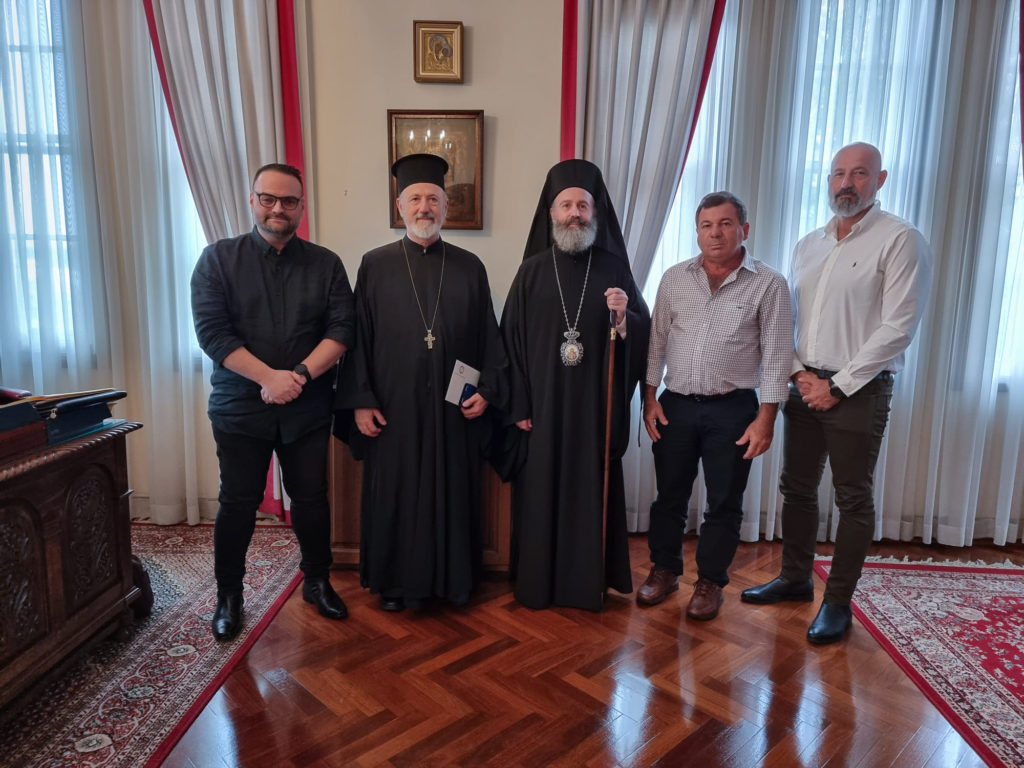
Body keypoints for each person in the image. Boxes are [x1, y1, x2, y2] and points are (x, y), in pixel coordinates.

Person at [741, 142, 933, 644]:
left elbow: (899, 327)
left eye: (859, 174)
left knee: (852, 498)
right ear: (828, 181)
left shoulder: (901, 239)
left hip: (861, 391)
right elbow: (792, 320)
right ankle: (795, 579)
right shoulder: (810, 243)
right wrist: (801, 374)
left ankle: (838, 603)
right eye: (838, 174)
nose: (847, 183)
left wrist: (839, 385)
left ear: (881, 179)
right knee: (796, 488)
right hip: (805, 384)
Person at [335, 153, 508, 612]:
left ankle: (454, 583)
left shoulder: (471, 267)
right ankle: (395, 586)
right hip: (394, 410)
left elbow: (490, 338)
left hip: (453, 412)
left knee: (452, 494)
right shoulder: (374, 265)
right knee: (397, 495)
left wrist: (488, 391)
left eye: (433, 198)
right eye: (415, 198)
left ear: (447, 207)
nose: (424, 207)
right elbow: (359, 341)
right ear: (399, 207)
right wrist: (361, 401)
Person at [191, 162, 355, 641]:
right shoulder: (217, 259)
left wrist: (298, 376)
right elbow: (213, 334)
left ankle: (317, 580)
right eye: (269, 198)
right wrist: (268, 378)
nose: (278, 208)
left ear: (302, 207)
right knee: (237, 502)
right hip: (240, 406)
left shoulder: (326, 264)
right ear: (252, 200)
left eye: (289, 201)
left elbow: (342, 330)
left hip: (306, 405)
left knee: (311, 498)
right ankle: (229, 596)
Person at [500, 158, 651, 612]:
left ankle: (589, 584)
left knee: (591, 488)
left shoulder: (614, 270)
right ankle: (538, 584)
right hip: (543, 408)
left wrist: (624, 318)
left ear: (595, 212)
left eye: (582, 205)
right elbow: (508, 343)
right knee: (540, 489)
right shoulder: (530, 273)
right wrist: (520, 402)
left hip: (593, 409)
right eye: (565, 205)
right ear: (551, 212)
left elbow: (645, 333)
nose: (574, 214)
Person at [640, 192, 792, 620]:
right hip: (676, 405)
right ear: (698, 231)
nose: (715, 233)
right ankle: (664, 569)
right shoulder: (674, 278)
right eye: (707, 225)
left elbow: (777, 355)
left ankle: (710, 581)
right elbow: (656, 343)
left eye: (725, 224)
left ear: (743, 230)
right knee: (669, 495)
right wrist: (650, 398)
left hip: (734, 409)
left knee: (724, 501)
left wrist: (766, 418)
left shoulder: (769, 283)